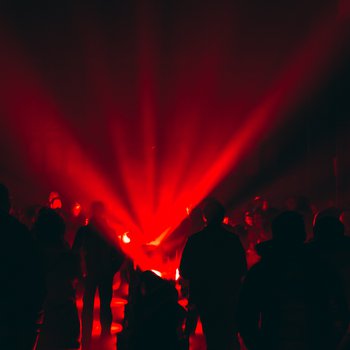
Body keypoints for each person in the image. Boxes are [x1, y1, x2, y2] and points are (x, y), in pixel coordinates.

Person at [237, 211, 349, 350]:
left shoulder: (262, 271)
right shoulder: (320, 268)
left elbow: (245, 316)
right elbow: (338, 310)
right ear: (303, 234)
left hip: (274, 343)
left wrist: (258, 345)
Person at [180, 198, 247, 350]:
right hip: (229, 295)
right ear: (222, 217)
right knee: (229, 336)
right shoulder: (232, 240)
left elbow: (184, 270)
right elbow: (242, 268)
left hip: (204, 297)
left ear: (205, 217)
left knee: (212, 335)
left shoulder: (195, 240)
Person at [73, 201, 124, 350]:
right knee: (104, 307)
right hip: (103, 273)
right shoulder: (107, 231)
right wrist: (111, 269)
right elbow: (120, 254)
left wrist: (79, 273)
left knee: (89, 307)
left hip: (91, 273)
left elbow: (74, 253)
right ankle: (104, 340)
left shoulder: (85, 231)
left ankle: (87, 342)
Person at [0, 184, 45, 349]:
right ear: (7, 203)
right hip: (13, 316)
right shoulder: (19, 233)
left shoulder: (19, 232)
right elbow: (34, 273)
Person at [34, 208, 80, 350]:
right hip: (64, 310)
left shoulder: (32, 252)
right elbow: (76, 273)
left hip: (42, 312)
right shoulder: (66, 254)